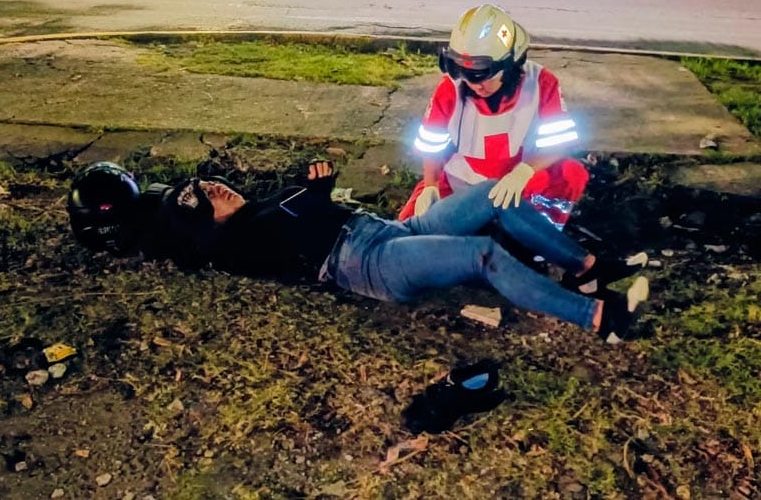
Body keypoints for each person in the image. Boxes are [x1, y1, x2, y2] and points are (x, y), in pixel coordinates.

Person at [68, 161, 650, 344]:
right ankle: (601, 319)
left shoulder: (257, 207)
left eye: (214, 183)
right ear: (202, 227)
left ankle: (587, 270)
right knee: (482, 256)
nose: (218, 189)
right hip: (366, 265)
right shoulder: (230, 246)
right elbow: (191, 243)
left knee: (493, 196)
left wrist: (315, 183)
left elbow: (304, 205)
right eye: (207, 199)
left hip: (383, 229)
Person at [400, 4, 590, 238]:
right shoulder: (450, 88)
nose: (476, 85)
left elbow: (558, 145)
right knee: (402, 236)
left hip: (518, 186)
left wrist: (523, 172)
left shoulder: (541, 83)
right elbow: (432, 147)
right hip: (459, 186)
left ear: (510, 66)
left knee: (570, 175)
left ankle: (536, 243)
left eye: (484, 77)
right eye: (467, 77)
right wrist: (430, 185)